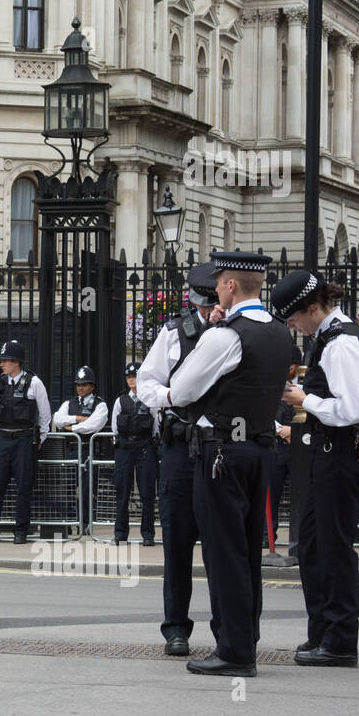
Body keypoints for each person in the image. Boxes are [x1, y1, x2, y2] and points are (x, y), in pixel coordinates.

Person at [167, 251, 291, 677]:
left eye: (219, 281)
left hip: (222, 452)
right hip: (260, 449)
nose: (215, 289)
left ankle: (235, 651)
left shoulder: (224, 335)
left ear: (231, 286)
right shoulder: (278, 331)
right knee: (247, 552)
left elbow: (181, 390)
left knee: (224, 553)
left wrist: (211, 333)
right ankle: (244, 638)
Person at [273, 269, 359, 668]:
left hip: (343, 452)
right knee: (313, 544)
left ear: (312, 308)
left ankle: (340, 641)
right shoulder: (328, 338)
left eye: (293, 319)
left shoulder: (342, 343)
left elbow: (351, 410)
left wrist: (306, 399)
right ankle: (322, 631)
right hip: (326, 450)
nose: (292, 327)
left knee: (334, 547)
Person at [137, 261, 218, 656]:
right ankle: (176, 628)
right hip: (180, 448)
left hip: (219, 447)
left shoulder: (234, 333)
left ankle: (226, 628)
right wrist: (170, 400)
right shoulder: (173, 334)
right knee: (178, 542)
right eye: (204, 308)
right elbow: (147, 383)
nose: (208, 314)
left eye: (213, 307)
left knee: (222, 543)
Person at [0, 340, 51, 545]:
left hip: (23, 440)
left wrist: (40, 439)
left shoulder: (34, 383)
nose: (2, 364)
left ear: (16, 362)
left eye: (5, 360)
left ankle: (21, 531)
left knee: (23, 488)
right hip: (2, 439)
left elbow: (45, 415)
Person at [52, 364, 108, 534]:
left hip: (88, 450)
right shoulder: (70, 403)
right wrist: (78, 418)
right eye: (78, 384)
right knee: (68, 488)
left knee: (87, 489)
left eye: (84, 384)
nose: (80, 388)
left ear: (92, 386)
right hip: (71, 449)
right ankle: (68, 522)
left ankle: (85, 524)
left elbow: (93, 425)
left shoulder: (100, 404)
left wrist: (72, 428)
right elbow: (58, 419)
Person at [111, 362, 158, 547]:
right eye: (129, 377)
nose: (131, 379)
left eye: (135, 376)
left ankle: (148, 534)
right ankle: (121, 534)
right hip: (124, 449)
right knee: (122, 492)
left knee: (147, 493)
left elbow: (156, 427)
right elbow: (115, 428)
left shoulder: (150, 399)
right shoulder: (120, 401)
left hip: (144, 448)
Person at [265, 343, 302, 547]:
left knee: (300, 494)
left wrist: (293, 432)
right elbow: (264, 410)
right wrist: (281, 430)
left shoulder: (304, 384)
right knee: (272, 493)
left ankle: (297, 539)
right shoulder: (272, 383)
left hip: (298, 447)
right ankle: (267, 535)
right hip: (277, 445)